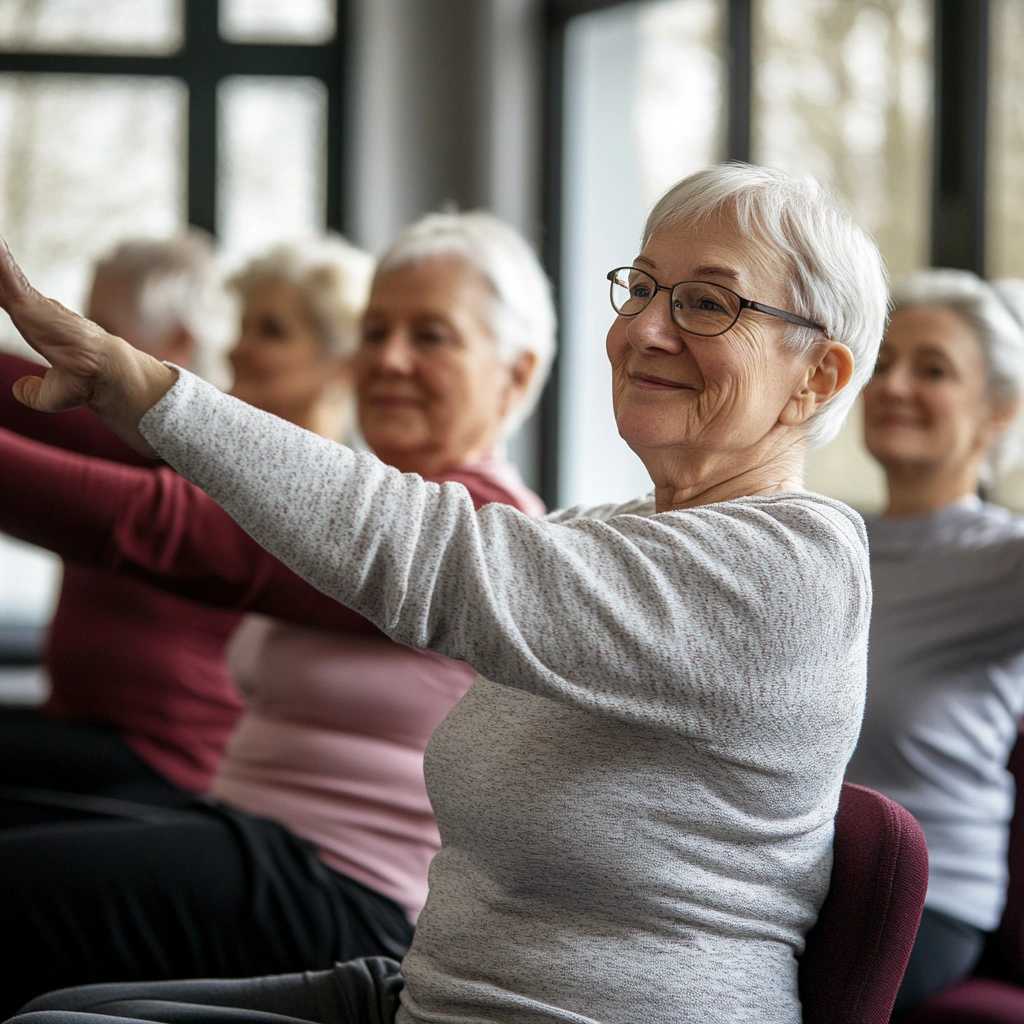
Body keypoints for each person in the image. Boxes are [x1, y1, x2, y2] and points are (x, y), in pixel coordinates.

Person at [1, 163, 886, 1024]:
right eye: (643, 288)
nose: (646, 329)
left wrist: (152, 390)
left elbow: (428, 552)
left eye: (706, 302)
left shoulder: (795, 567)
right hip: (430, 991)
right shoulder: (596, 531)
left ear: (818, 377)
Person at [0, 212, 549, 1012]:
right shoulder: (354, 488)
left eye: (431, 336)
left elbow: (159, 524)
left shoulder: (478, 529)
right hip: (245, 832)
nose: (391, 358)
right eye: (376, 330)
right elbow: (122, 459)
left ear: (516, 375)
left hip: (347, 892)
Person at [0, 232, 245, 814]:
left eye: (103, 329)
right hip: (87, 734)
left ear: (181, 341)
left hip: (159, 763)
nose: (77, 347)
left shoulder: (195, 452)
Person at [841, 268, 1024, 1012]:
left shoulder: (1004, 562)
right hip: (793, 869)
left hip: (927, 900)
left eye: (934, 369)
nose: (896, 385)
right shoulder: (825, 541)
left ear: (997, 412)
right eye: (882, 364)